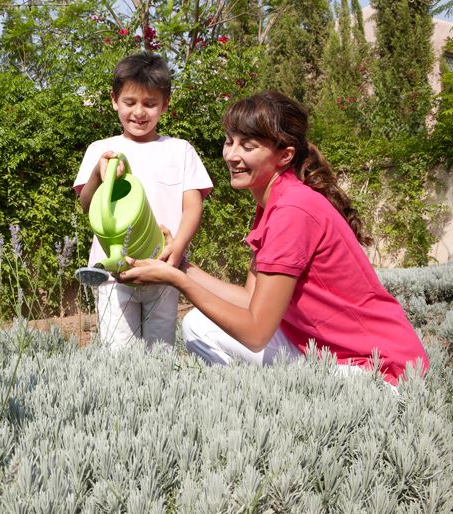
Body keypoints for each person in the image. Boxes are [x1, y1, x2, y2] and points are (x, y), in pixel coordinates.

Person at [118, 90, 429, 387]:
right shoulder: (274, 203)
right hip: (326, 354)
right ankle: (257, 412)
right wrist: (181, 265)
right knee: (198, 326)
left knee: (213, 333)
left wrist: (176, 280)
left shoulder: (293, 209)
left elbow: (256, 332)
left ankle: (266, 416)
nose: (232, 155)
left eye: (248, 146)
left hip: (380, 371)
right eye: (229, 142)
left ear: (285, 155)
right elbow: (250, 300)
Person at [74, 53, 213, 351]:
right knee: (118, 355)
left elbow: (193, 206)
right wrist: (99, 174)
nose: (139, 112)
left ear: (165, 104)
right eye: (130, 102)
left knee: (161, 354)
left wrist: (177, 249)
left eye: (150, 104)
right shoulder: (101, 150)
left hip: (162, 269)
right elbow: (87, 205)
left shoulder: (180, 150)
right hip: (114, 274)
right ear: (114, 100)